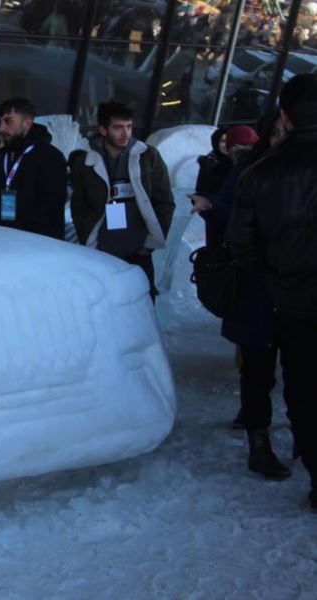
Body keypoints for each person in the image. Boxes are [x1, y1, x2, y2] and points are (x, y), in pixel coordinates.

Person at [229, 74, 317, 510]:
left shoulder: (259, 174)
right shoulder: (257, 171)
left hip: (288, 298)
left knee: (300, 387)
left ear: (285, 116)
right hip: (285, 297)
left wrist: (275, 278)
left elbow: (241, 243)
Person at [191, 116, 293, 478]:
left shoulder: (303, 168)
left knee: (298, 372)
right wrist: (211, 206)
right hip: (257, 286)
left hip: (296, 287)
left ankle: (301, 437)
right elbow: (228, 212)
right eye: (279, 132)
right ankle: (259, 442)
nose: (284, 138)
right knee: (257, 370)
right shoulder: (250, 170)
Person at [68, 100, 175, 301]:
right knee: (105, 304)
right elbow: (78, 205)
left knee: (142, 304)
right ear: (102, 129)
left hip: (138, 250)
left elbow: (164, 201)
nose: (125, 133)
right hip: (101, 249)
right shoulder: (85, 163)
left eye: (128, 127)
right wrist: (86, 235)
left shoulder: (147, 156)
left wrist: (150, 244)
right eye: (118, 128)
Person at [0, 97, 67, 240]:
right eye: (0, 122)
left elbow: (50, 212)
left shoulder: (50, 158)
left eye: (8, 121)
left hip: (37, 247)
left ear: (27, 123)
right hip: (1, 242)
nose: (1, 128)